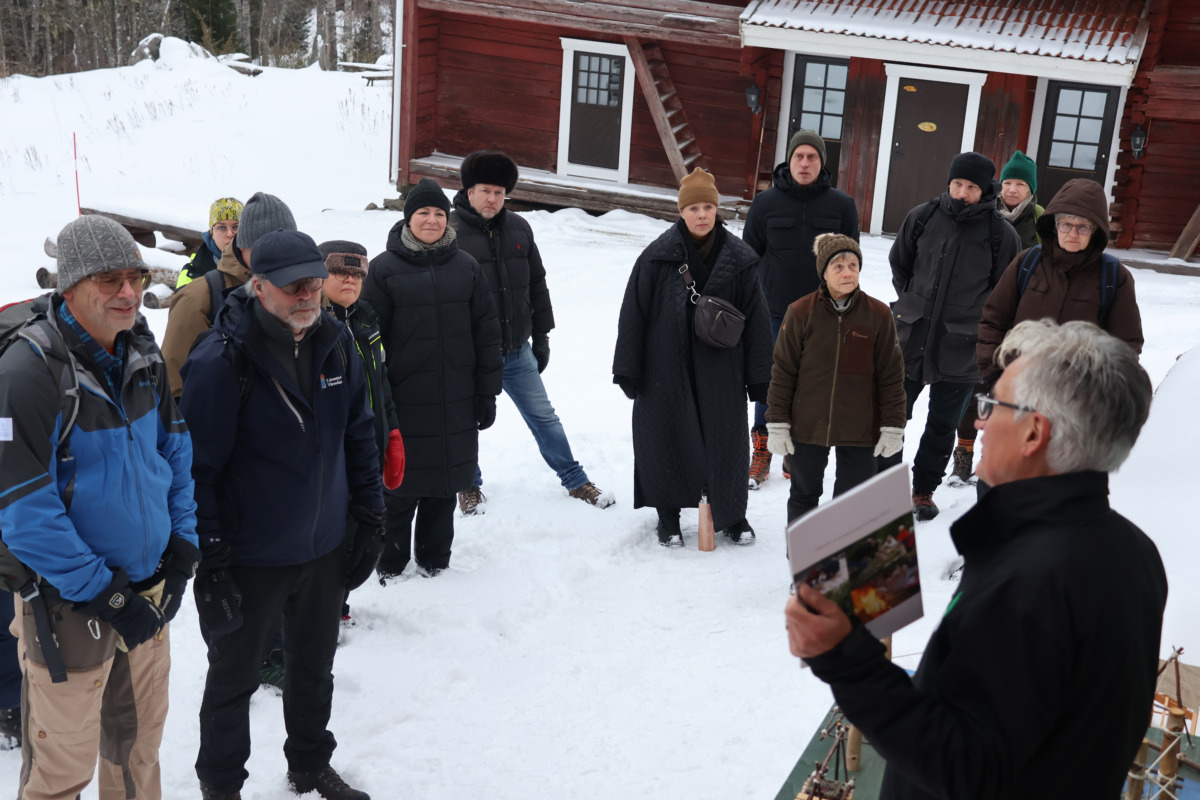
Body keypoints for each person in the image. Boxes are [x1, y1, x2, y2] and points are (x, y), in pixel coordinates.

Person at [785, 319, 1167, 800]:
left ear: (1033, 433)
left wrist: (846, 660)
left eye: (992, 405)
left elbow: (970, 769)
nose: (979, 421)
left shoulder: (1032, 583)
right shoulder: (1131, 550)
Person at [0, 215, 200, 799]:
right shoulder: (27, 374)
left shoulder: (142, 353)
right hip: (66, 605)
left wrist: (182, 543)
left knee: (136, 752)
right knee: (61, 772)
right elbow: (23, 511)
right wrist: (106, 593)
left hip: (147, 590)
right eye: (109, 280)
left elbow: (175, 449)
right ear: (71, 287)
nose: (129, 294)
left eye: (134, 278)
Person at [181, 229, 384, 800]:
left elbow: (358, 433)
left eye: (315, 284)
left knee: (313, 667)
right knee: (234, 679)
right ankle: (221, 785)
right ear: (259, 285)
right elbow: (198, 470)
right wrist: (213, 556)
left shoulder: (335, 341)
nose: (309, 296)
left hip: (322, 546)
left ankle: (310, 765)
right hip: (251, 555)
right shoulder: (222, 360)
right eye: (295, 286)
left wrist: (369, 513)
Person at [612, 168, 773, 547]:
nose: (702, 215)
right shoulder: (656, 257)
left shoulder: (741, 259)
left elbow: (758, 323)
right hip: (665, 368)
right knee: (666, 439)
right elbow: (633, 314)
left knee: (726, 444)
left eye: (709, 207)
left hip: (723, 369)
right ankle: (667, 516)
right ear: (681, 211)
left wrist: (760, 377)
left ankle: (732, 515)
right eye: (694, 207)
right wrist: (628, 368)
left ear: (718, 210)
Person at [450, 150, 614, 514]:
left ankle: (575, 480)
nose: (493, 198)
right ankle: (468, 485)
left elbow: (536, 285)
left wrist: (542, 337)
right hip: (470, 355)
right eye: (485, 190)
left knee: (544, 417)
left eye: (499, 192)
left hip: (516, 351)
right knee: (465, 423)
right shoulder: (449, 233)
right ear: (469, 191)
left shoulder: (520, 228)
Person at [362, 178, 501, 580]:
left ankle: (435, 561)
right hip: (403, 400)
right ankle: (389, 562)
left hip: (457, 398)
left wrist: (486, 393)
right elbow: (371, 344)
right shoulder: (384, 270)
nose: (432, 219)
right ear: (409, 218)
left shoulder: (467, 267)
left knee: (444, 484)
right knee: (400, 488)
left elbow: (486, 334)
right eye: (423, 212)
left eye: (439, 213)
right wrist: (377, 401)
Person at [880, 152, 1020, 520]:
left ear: (985, 189)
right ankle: (886, 487)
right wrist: (914, 303)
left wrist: (976, 322)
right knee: (892, 416)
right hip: (911, 336)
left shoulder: (1000, 234)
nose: (962, 192)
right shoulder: (922, 216)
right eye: (957, 184)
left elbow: (1005, 291)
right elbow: (901, 264)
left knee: (942, 424)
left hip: (962, 346)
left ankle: (923, 490)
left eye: (971, 187)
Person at [743, 130, 859, 487]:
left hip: (822, 312)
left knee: (811, 383)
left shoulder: (841, 206)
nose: (805, 163)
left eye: (812, 157)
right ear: (789, 160)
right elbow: (749, 256)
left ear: (822, 162)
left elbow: (850, 260)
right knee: (771, 380)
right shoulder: (765, 204)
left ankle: (796, 450)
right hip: (773, 310)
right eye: (799, 157)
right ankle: (762, 447)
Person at [765, 234, 905, 522]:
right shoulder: (800, 312)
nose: (847, 272)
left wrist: (892, 426)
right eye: (838, 266)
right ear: (824, 272)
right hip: (808, 423)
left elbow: (891, 376)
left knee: (852, 499)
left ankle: (844, 556)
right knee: (804, 493)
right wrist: (777, 422)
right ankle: (806, 558)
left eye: (853, 265)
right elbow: (783, 371)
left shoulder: (878, 315)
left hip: (860, 426)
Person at [319, 239, 405, 617]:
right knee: (331, 533)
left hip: (368, 442)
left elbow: (380, 381)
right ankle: (320, 608)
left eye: (357, 273)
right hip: (330, 451)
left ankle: (338, 600)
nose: (350, 280)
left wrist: (393, 432)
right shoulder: (315, 323)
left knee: (359, 530)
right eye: (340, 271)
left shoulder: (366, 317)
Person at [949, 150, 1044, 484]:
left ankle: (1000, 458)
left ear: (1031, 190)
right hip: (983, 318)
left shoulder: (1042, 222)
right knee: (974, 387)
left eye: (1020, 183)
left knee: (1009, 391)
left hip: (1024, 322)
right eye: (1007, 182)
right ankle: (963, 455)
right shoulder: (983, 214)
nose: (1012, 189)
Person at [161, 191, 296, 396]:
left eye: (236, 227)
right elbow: (176, 370)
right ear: (211, 232)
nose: (229, 233)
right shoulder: (197, 282)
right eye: (222, 227)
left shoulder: (305, 286)